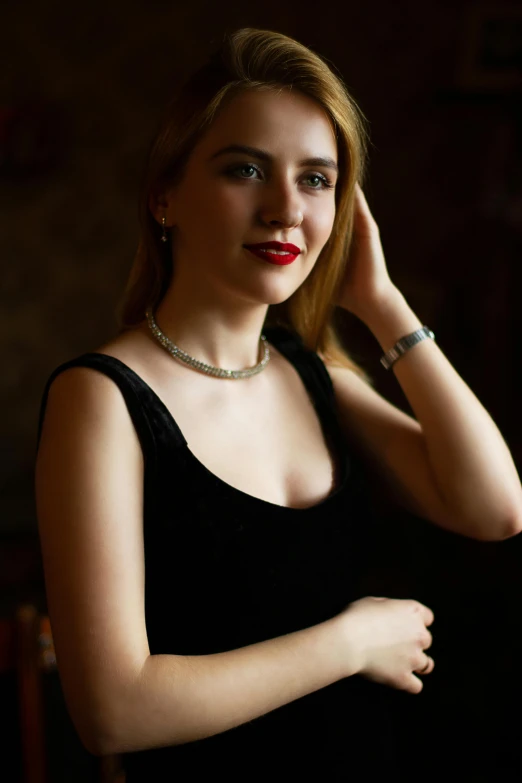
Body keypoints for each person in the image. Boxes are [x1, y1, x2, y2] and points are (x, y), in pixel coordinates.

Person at [34, 27, 522, 780]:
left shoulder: (306, 366)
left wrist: (383, 303)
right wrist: (350, 642)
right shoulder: (100, 400)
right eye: (246, 170)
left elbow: (494, 508)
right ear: (165, 196)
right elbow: (111, 709)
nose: (285, 208)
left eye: (317, 179)